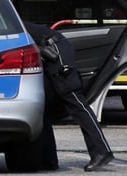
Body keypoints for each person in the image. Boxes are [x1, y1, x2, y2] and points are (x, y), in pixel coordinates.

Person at [24, 21, 113, 172]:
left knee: (73, 98)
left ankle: (101, 151)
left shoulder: (5, 20)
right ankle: (49, 159)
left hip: (55, 50)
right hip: (49, 52)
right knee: (42, 107)